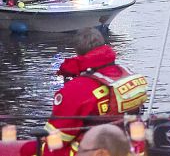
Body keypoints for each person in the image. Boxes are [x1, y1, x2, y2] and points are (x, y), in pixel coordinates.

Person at [44, 28, 148, 156]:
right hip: (135, 147)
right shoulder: (128, 76)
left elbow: (58, 139)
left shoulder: (75, 90)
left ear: (77, 52)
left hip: (94, 150)